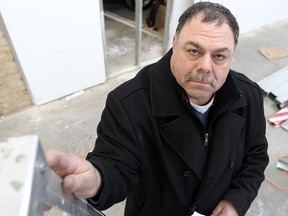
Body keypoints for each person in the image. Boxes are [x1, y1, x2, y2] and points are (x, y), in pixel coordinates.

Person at [46, 2, 269, 216]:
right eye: (194, 51)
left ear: (231, 57)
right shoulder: (129, 104)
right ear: (174, 43)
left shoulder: (248, 96)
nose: (205, 67)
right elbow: (116, 165)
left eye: (219, 56)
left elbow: (256, 156)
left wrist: (235, 201)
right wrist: (96, 178)